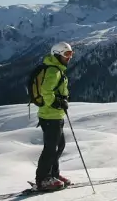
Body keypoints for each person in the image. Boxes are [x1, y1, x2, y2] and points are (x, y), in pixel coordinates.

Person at [34, 41, 73, 191]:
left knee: (59, 146)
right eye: (66, 54)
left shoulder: (57, 69)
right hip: (50, 116)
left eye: (71, 54)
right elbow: (46, 92)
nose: (69, 58)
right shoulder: (53, 71)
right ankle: (42, 179)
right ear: (57, 55)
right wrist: (57, 102)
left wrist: (61, 101)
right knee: (50, 148)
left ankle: (53, 175)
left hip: (55, 115)